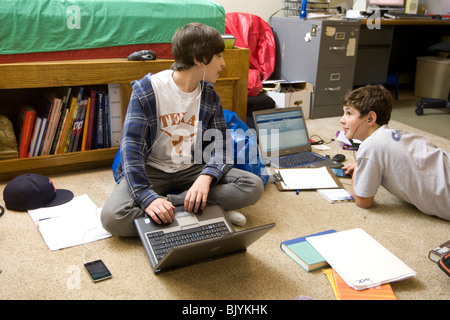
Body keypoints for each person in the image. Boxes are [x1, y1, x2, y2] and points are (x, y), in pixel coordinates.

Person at [101, 23, 264, 236]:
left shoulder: (209, 95)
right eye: (218, 56)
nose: (223, 63)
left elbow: (222, 148)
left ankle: (174, 206)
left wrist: (206, 178)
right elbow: (130, 152)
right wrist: (147, 197)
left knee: (253, 185)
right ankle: (205, 210)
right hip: (152, 170)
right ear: (199, 59)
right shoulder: (146, 91)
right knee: (112, 217)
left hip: (192, 168)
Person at [340, 84, 450, 221]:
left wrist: (358, 170)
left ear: (370, 118)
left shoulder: (370, 146)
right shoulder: (395, 135)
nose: (342, 119)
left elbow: (363, 201)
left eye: (349, 113)